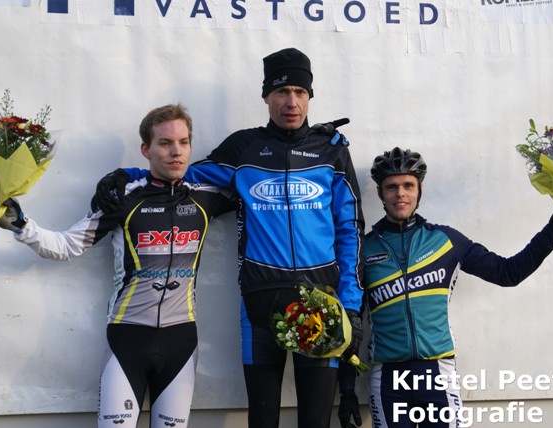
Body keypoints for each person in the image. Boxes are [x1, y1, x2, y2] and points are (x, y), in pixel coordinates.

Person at [91, 47, 366, 428]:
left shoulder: (331, 150)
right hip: (260, 305)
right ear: (266, 96)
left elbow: (350, 230)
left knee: (316, 421)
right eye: (281, 92)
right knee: (262, 420)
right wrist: (125, 176)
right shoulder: (243, 148)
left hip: (323, 303)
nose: (291, 102)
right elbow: (178, 176)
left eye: (300, 92)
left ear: (310, 97)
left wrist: (351, 304)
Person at [0, 104, 235, 428]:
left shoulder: (206, 197)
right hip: (128, 339)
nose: (176, 151)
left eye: (183, 142)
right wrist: (21, 225)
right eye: (165, 143)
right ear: (146, 149)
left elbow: (260, 183)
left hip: (181, 340)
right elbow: (67, 245)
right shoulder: (122, 198)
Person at [337, 147, 553, 428]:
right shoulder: (364, 249)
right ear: (381, 193)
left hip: (437, 372)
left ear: (420, 189)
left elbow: (508, 273)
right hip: (387, 378)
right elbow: (349, 323)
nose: (400, 194)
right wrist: (347, 389)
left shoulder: (446, 241)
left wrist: (552, 231)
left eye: (408, 185)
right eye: (391, 187)